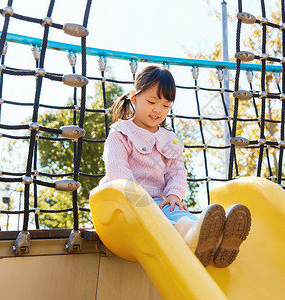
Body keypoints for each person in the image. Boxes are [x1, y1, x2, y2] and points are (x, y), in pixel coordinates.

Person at [100, 65, 251, 267]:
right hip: (126, 203)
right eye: (152, 102)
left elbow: (177, 172)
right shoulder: (121, 133)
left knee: (178, 213)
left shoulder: (169, 140)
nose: (158, 110)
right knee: (161, 222)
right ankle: (195, 238)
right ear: (135, 98)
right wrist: (138, 197)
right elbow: (117, 169)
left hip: (159, 202)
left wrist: (173, 194)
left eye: (165, 106)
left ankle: (214, 238)